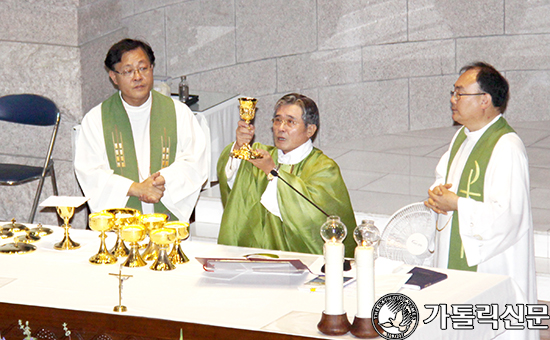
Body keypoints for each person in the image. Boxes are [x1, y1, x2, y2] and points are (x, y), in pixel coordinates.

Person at [424, 62, 537, 338]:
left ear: (484, 100)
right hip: (456, 257)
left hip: (492, 265)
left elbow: (509, 216)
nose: (453, 99)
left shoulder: (507, 147)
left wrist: (457, 204)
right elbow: (444, 178)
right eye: (454, 92)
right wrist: (438, 196)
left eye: (460, 93)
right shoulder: (462, 138)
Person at [75, 39, 208, 221]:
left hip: (166, 224)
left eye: (143, 68)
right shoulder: (96, 119)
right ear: (114, 77)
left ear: (152, 68)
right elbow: (90, 172)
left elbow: (195, 162)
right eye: (128, 71)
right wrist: (135, 189)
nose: (138, 77)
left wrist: (162, 181)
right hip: (121, 230)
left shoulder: (178, 113)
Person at [217, 93, 357, 257]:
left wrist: (272, 173)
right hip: (255, 256)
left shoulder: (324, 168)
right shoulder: (261, 156)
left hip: (300, 260)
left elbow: (312, 220)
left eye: (290, 122)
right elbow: (234, 188)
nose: (281, 128)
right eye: (277, 120)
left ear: (310, 129)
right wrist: (239, 149)